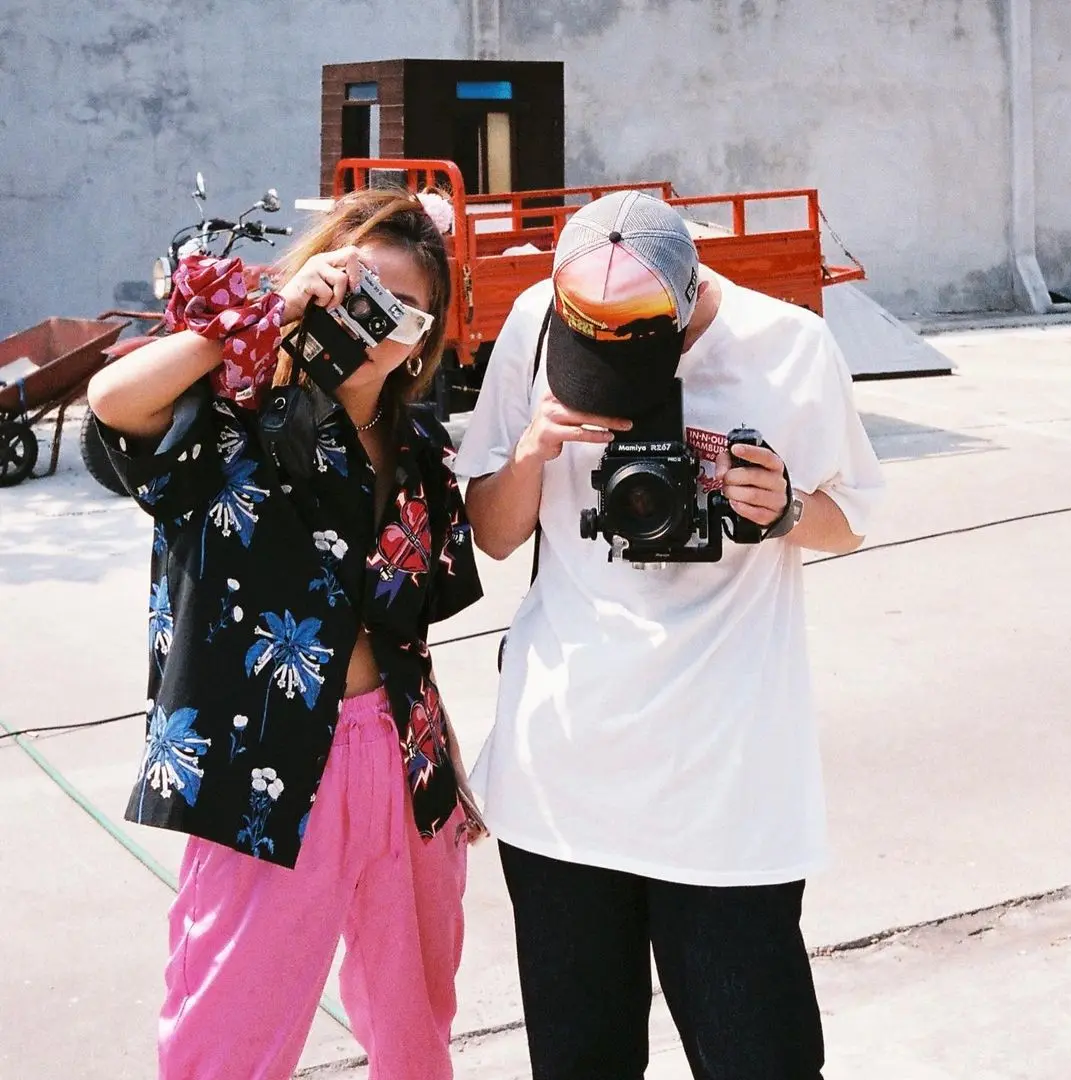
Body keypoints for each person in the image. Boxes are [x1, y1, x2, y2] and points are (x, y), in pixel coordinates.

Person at [454, 190, 885, 1080]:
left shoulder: (789, 345)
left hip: (726, 796)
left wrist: (783, 507)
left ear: (690, 301)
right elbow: (492, 535)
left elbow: (851, 520)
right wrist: (532, 451)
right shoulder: (537, 321)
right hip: (562, 786)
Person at [86, 188, 486, 1080]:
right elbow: (111, 403)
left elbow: (411, 629)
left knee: (417, 1020)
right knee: (228, 1031)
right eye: (357, 289)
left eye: (401, 308)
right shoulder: (232, 418)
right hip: (260, 762)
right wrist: (265, 313)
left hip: (405, 752)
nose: (372, 320)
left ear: (423, 335)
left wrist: (448, 770)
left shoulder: (421, 448)